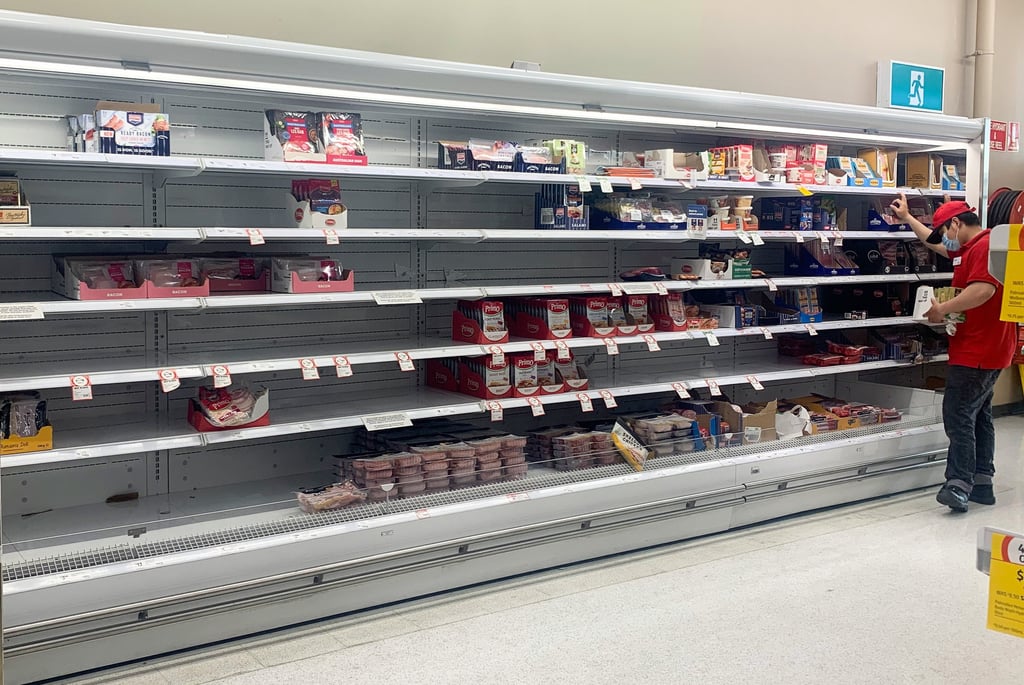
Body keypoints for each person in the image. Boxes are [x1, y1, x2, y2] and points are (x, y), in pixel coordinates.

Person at [890, 194, 1016, 512]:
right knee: (979, 416)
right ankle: (982, 482)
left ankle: (958, 483)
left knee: (958, 414)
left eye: (946, 230)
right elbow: (936, 243)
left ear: (957, 223)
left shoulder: (985, 248)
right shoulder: (970, 248)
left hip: (980, 348)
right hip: (984, 346)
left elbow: (983, 289)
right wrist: (907, 218)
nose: (945, 238)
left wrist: (941, 310)